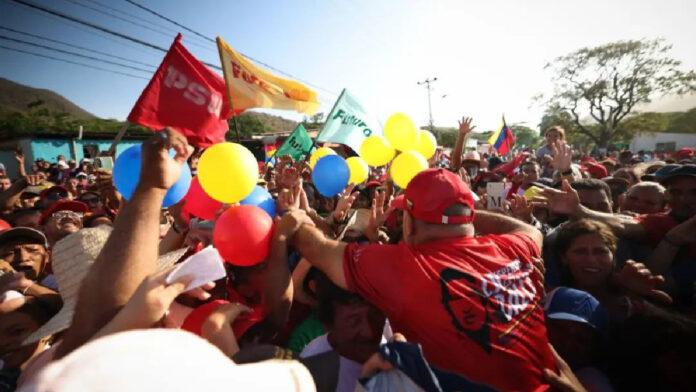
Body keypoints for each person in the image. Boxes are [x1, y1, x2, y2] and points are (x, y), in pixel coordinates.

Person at [280, 168, 554, 391]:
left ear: (408, 223)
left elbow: (316, 249)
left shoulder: (406, 267)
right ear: (469, 218)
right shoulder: (512, 249)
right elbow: (529, 230)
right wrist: (458, 214)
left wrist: (295, 218)